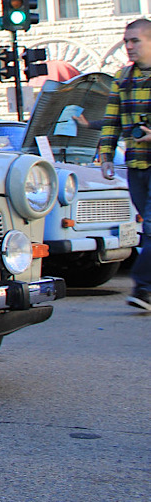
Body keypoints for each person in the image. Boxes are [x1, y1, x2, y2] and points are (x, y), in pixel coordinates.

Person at [96, 18, 151, 311]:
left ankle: (143, 288)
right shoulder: (122, 78)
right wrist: (105, 155)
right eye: (126, 41)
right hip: (136, 165)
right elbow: (111, 121)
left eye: (135, 41)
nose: (129, 46)